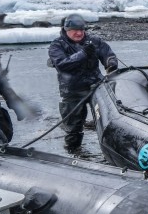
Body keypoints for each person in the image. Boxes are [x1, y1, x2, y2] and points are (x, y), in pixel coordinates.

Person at [48, 14, 118, 151]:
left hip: (96, 86)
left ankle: (111, 150)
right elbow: (62, 64)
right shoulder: (57, 45)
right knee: (73, 129)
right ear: (66, 29)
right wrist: (83, 53)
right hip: (72, 91)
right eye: (75, 30)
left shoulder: (94, 41)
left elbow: (108, 54)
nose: (79, 33)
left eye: (82, 29)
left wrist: (111, 63)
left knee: (109, 118)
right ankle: (74, 152)